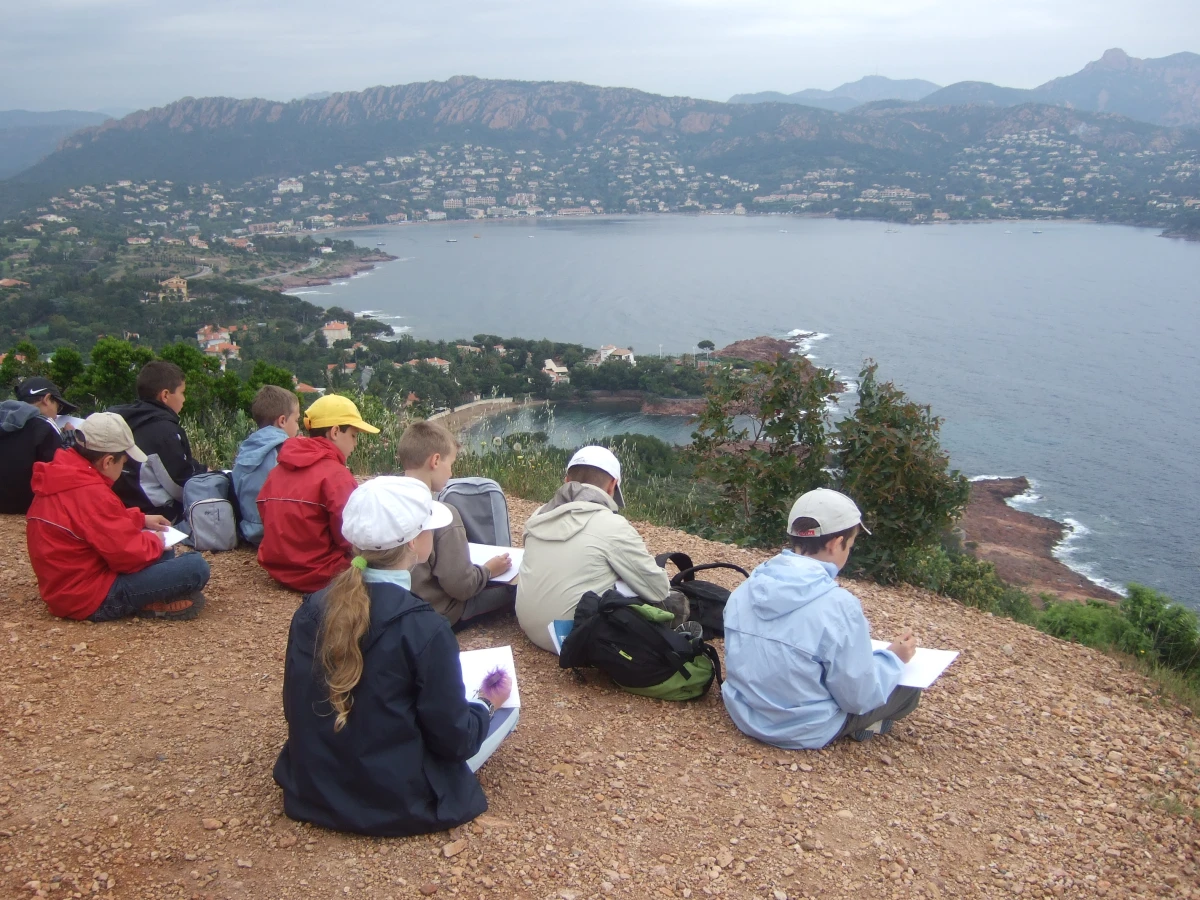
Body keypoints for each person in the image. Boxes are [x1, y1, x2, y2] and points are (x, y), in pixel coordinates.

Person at [273, 476, 514, 836]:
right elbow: (454, 740)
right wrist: (485, 704)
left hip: (313, 786)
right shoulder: (426, 628)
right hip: (394, 800)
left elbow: (295, 708)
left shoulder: (312, 609)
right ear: (416, 543)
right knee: (499, 714)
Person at [722, 488, 920, 750]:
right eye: (849, 545)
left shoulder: (747, 588)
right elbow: (858, 696)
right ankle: (864, 726)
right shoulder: (840, 605)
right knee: (909, 692)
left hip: (743, 714)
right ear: (834, 543)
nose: (848, 552)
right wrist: (893, 658)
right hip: (804, 729)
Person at [25, 412, 210, 622]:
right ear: (108, 461)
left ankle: (152, 597)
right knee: (195, 567)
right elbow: (127, 557)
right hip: (90, 597)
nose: (123, 469)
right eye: (124, 463)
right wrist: (155, 541)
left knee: (162, 555)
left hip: (65, 587)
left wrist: (141, 520)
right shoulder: (92, 493)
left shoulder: (65, 474)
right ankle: (145, 602)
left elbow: (92, 521)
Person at [516, 445, 671, 652]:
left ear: (567, 481)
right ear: (612, 486)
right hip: (575, 639)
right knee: (664, 601)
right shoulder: (612, 525)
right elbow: (659, 590)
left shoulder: (538, 515)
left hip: (531, 629)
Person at [256, 394, 379, 592]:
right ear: (336, 432)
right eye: (354, 436)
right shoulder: (337, 475)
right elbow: (350, 536)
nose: (355, 445)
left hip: (278, 570)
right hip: (323, 574)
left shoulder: (278, 469)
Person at [397, 420, 514, 628]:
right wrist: (488, 570)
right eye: (450, 464)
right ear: (435, 461)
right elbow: (461, 587)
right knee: (511, 591)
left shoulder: (381, 503)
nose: (451, 473)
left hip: (394, 602)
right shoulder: (442, 514)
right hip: (435, 612)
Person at [109, 361, 209, 522]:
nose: (184, 399)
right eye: (182, 392)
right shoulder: (163, 431)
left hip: (119, 505)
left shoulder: (122, 418)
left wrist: (201, 468)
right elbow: (180, 485)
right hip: (151, 511)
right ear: (165, 395)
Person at [231, 385, 301, 544]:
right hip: (273, 532)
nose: (298, 427)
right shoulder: (285, 450)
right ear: (282, 420)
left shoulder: (247, 447)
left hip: (248, 529)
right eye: (296, 420)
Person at [0, 377, 76, 514]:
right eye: (58, 407)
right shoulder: (44, 425)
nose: (57, 415)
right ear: (46, 399)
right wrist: (70, 438)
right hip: (26, 507)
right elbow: (65, 469)